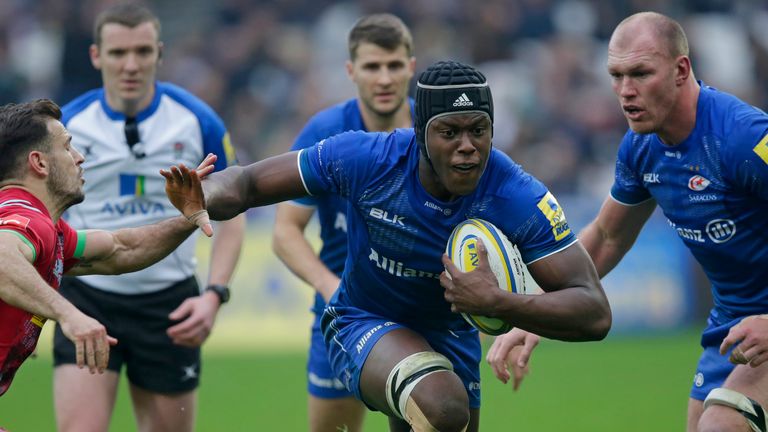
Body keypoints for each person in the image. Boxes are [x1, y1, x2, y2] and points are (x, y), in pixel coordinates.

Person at [171, 59, 611, 432]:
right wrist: (203, 194)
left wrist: (500, 301)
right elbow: (248, 182)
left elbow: (593, 311)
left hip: (451, 335)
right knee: (443, 407)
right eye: (450, 132)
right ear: (419, 132)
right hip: (363, 320)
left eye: (479, 130)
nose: (467, 148)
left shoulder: (516, 194)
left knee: (446, 416)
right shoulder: (368, 159)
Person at [486, 11, 768, 432]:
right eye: (615, 75)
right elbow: (607, 236)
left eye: (640, 73)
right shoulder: (640, 149)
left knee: (722, 425)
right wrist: (536, 311)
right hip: (732, 328)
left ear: (681, 70)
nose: (625, 91)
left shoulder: (743, 138)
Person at [51, 4, 245, 432]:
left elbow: (233, 215)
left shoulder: (198, 121)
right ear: (96, 56)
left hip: (169, 304)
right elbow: (42, 217)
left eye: (142, 51)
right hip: (88, 297)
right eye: (118, 54)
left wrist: (214, 295)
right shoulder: (66, 126)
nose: (131, 65)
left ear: (159, 53)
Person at [0, 98, 213, 397]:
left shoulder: (45, 227)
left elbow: (119, 249)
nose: (79, 157)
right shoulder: (27, 219)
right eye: (66, 147)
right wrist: (69, 315)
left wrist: (189, 217)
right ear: (39, 163)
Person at [271, 13, 415, 432]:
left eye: (393, 65)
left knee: (430, 419)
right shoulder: (325, 131)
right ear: (351, 71)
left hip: (420, 309)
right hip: (343, 314)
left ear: (411, 65)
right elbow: (285, 230)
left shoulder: (435, 130)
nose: (384, 78)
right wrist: (329, 286)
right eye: (372, 66)